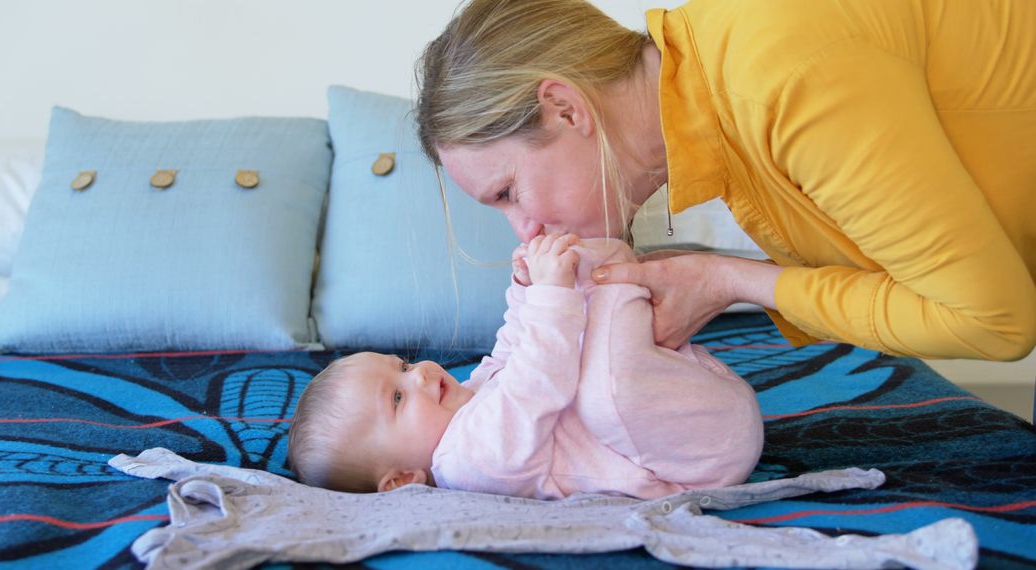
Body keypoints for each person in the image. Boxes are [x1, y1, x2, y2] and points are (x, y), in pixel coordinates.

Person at [414, 0, 1036, 361]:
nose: (524, 233)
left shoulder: (776, 80)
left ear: (566, 109)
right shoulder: (719, 90)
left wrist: (729, 280)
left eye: (507, 193)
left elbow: (996, 323)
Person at [288, 233, 763, 498]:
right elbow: (538, 379)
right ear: (402, 480)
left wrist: (526, 288)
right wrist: (553, 293)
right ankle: (615, 273)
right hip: (695, 457)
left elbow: (513, 348)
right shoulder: (469, 462)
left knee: (591, 356)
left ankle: (609, 272)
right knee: (599, 390)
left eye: (403, 365)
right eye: (397, 397)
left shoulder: (469, 400)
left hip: (689, 414)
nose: (421, 374)